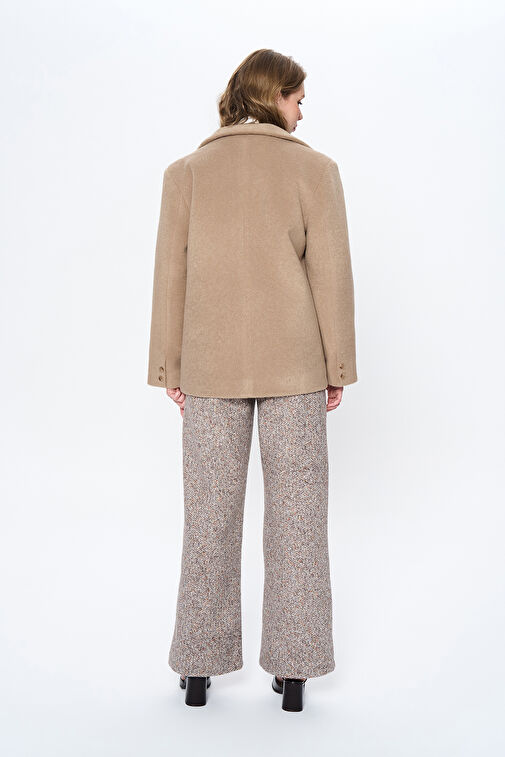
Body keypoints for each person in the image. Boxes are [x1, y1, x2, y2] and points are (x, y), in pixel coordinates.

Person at [147, 48, 357, 712]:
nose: (302, 112)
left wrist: (169, 366)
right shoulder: (315, 171)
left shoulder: (186, 173)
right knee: (298, 519)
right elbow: (331, 277)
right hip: (295, 366)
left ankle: (197, 668)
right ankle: (295, 673)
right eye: (298, 99)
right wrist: (337, 367)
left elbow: (170, 276)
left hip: (208, 367)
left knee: (207, 516)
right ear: (273, 97)